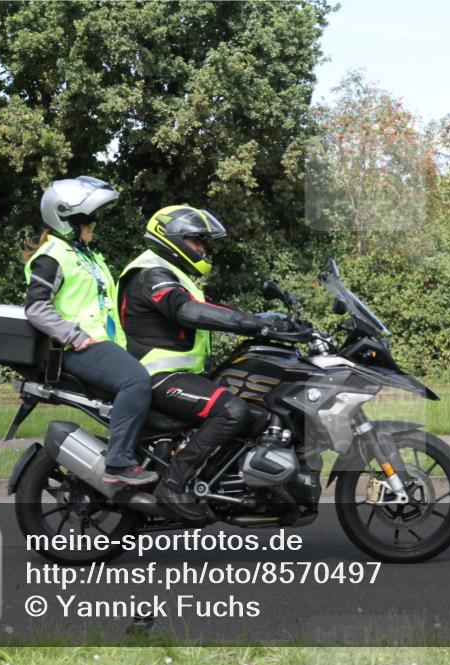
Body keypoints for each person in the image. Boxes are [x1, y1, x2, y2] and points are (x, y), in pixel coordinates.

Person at [117, 205, 273, 519]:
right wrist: (250, 324)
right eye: (196, 240)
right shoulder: (151, 273)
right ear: (172, 238)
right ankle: (173, 484)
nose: (203, 248)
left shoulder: (173, 275)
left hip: (178, 374)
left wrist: (262, 318)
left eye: (204, 242)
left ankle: (225, 485)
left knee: (258, 414)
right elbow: (187, 311)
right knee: (232, 410)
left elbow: (206, 307)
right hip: (158, 377)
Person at [23, 175, 156, 486]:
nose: (94, 224)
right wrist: (74, 336)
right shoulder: (52, 256)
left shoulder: (87, 256)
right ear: (69, 220)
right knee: (135, 381)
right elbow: (36, 308)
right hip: (75, 349)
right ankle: (118, 463)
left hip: (103, 345)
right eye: (89, 218)